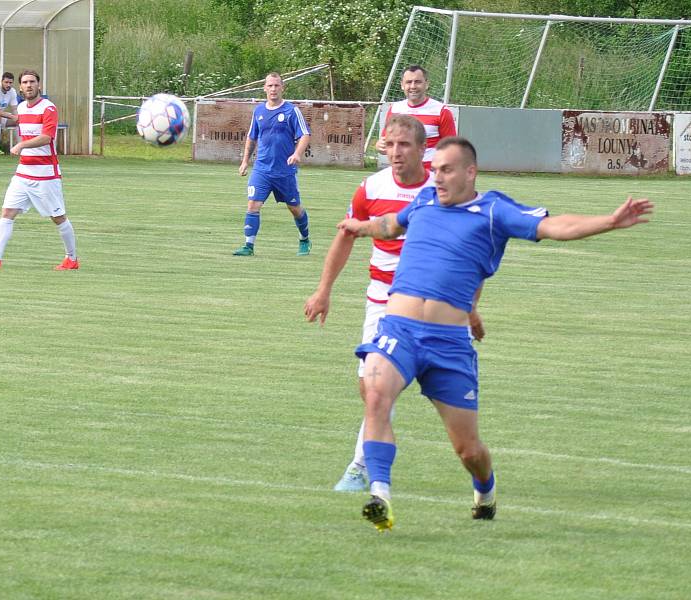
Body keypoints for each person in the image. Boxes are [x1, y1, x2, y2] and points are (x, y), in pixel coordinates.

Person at [338, 136, 653, 532]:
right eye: (435, 170)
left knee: (468, 450)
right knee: (376, 392)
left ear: (471, 172)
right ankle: (379, 494)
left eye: (446, 170)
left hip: (449, 345)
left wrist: (608, 221)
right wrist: (361, 226)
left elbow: (553, 226)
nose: (437, 178)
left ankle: (485, 490)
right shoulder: (423, 202)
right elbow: (389, 225)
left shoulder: (493, 211)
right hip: (399, 329)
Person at [304, 115, 485, 493]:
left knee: (382, 392)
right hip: (380, 301)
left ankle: (359, 467)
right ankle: (368, 463)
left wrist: (469, 307)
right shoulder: (370, 188)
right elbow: (346, 236)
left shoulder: (445, 191)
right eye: (390, 144)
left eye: (404, 145)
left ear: (424, 149)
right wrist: (324, 290)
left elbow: (472, 254)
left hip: (432, 308)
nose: (395, 152)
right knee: (371, 390)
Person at [0, 69, 78, 271]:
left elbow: (47, 137)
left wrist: (21, 146)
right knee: (7, 212)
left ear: (39, 85)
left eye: (32, 82)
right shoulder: (21, 108)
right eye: (25, 82)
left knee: (58, 217)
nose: (29, 85)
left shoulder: (48, 109)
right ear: (20, 88)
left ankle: (71, 259)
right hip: (23, 173)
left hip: (45, 174)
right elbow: (10, 121)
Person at [233, 72, 312, 257]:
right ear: (264, 88)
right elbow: (251, 137)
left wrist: (297, 153)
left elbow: (305, 134)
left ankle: (304, 239)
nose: (273, 89)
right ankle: (248, 246)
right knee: (253, 204)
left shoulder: (291, 111)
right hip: (262, 169)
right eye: (270, 85)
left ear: (282, 88)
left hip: (284, 170)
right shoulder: (259, 111)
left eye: (277, 85)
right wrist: (245, 161)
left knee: (294, 208)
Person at [375, 65, 456, 170]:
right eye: (408, 82)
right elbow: (386, 143)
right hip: (402, 173)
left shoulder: (441, 111)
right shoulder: (394, 109)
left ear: (426, 84)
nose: (413, 86)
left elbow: (452, 148)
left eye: (418, 82)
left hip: (431, 175)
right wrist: (379, 146)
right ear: (402, 85)